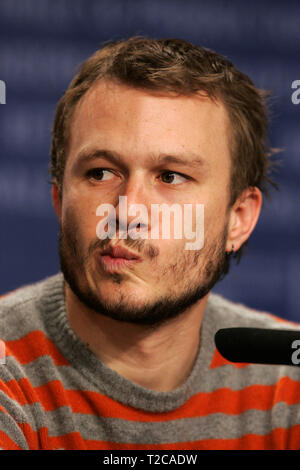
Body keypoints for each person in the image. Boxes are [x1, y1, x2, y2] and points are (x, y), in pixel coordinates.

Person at [0, 36, 299, 451]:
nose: (128, 211)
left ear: (239, 219)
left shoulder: (287, 381)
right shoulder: (6, 370)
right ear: (59, 199)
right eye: (101, 173)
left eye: (171, 176)